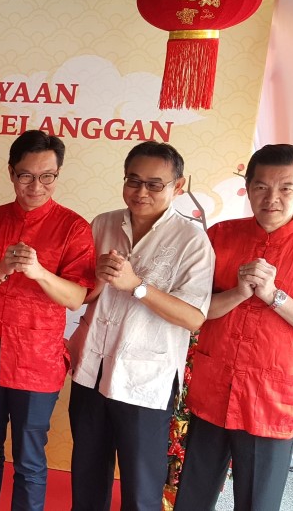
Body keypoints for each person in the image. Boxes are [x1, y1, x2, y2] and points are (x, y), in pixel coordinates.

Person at [175, 145, 293, 511]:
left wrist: (274, 296)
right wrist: (239, 293)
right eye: (261, 186)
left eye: (285, 187)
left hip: (271, 401)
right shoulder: (219, 236)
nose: (272, 198)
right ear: (248, 188)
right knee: (192, 497)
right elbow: (193, 308)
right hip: (213, 388)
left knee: (258, 503)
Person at [67, 141, 213, 511]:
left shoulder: (192, 241)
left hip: (145, 383)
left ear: (178, 187)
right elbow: (85, 292)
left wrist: (138, 286)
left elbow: (194, 317)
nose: (141, 192)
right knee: (86, 478)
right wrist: (97, 279)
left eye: (154, 184)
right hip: (91, 370)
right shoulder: (103, 223)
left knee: (140, 490)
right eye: (133, 180)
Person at [0, 131, 95, 511]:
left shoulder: (73, 227)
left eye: (47, 176)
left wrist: (40, 272)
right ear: (11, 172)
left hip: (37, 360)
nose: (36, 186)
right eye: (26, 176)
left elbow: (76, 297)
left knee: (29, 457)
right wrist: (3, 267)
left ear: (57, 174)